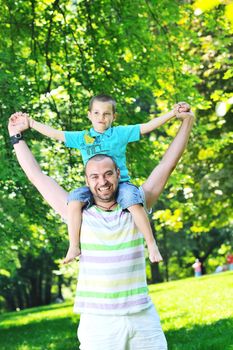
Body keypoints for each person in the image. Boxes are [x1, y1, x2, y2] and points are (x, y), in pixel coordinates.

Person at [8, 107, 194, 349]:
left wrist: (187, 122)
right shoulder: (78, 214)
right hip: (98, 323)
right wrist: (16, 136)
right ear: (87, 181)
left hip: (142, 318)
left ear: (118, 174)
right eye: (94, 177)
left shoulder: (136, 205)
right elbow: (37, 176)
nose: (103, 181)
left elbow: (167, 164)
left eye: (108, 174)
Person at [10, 95, 190, 264]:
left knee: (133, 201)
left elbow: (149, 130)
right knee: (73, 200)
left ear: (113, 116)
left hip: (124, 187)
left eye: (106, 114)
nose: (101, 118)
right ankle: (73, 246)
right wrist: (29, 124)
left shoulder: (119, 134)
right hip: (89, 194)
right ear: (89, 115)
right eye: (96, 113)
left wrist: (174, 114)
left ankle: (151, 244)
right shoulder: (82, 138)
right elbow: (55, 136)